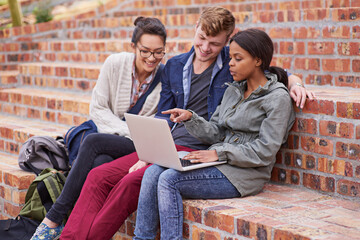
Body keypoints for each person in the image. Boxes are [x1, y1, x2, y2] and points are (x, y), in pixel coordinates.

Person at [60, 6, 313, 240]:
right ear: (195, 28)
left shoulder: (235, 67)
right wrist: (162, 142)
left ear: (227, 40)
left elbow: (274, 73)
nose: (205, 47)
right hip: (177, 146)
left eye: (215, 44)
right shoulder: (188, 70)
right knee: (101, 173)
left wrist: (296, 82)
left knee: (142, 180)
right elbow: (172, 117)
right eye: (201, 38)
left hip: (206, 153)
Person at [133, 28, 296, 240]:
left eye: (238, 58)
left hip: (245, 174)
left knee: (169, 180)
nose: (231, 64)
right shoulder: (234, 89)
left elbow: (265, 150)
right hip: (218, 163)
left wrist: (220, 154)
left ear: (257, 61)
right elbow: (216, 132)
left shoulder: (277, 99)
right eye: (232, 58)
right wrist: (191, 118)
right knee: (152, 172)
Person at [30, 16, 167, 240]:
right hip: (113, 135)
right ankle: (81, 228)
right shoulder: (115, 64)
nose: (152, 58)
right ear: (133, 46)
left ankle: (54, 218)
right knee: (99, 164)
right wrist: (128, 129)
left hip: (136, 144)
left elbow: (154, 122)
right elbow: (98, 109)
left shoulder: (166, 76)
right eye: (145, 51)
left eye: (158, 52)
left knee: (93, 142)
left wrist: (132, 133)